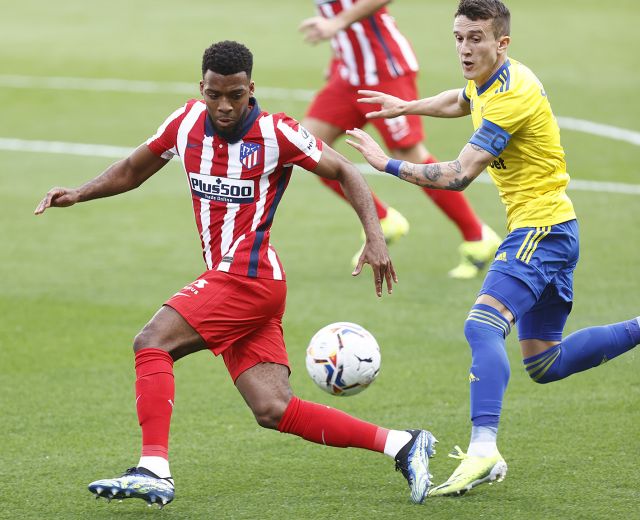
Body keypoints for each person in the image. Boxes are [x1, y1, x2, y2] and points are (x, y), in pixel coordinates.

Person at [34, 40, 439, 507]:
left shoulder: (277, 133)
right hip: (243, 283)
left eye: (235, 95)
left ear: (251, 89)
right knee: (272, 408)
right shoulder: (184, 121)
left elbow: (346, 170)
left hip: (248, 277)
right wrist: (79, 194)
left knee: (152, 342)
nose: (224, 106)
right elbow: (132, 169)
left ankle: (153, 469)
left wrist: (376, 236)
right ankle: (403, 444)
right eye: (214, 95)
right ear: (201, 88)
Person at [346, 0, 640, 496]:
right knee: (544, 362)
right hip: (554, 228)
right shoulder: (491, 80)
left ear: (502, 43)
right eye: (459, 37)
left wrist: (386, 164)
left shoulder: (513, 94)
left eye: (476, 38)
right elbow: (461, 101)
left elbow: (458, 174)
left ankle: (484, 450)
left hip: (540, 232)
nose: (464, 48)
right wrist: (407, 106)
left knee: (482, 324)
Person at [299, 0, 501, 278]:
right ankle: (383, 219)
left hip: (385, 71)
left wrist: (336, 23)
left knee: (409, 155)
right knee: (307, 147)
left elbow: (345, 16)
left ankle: (478, 236)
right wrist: (337, 59)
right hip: (348, 75)